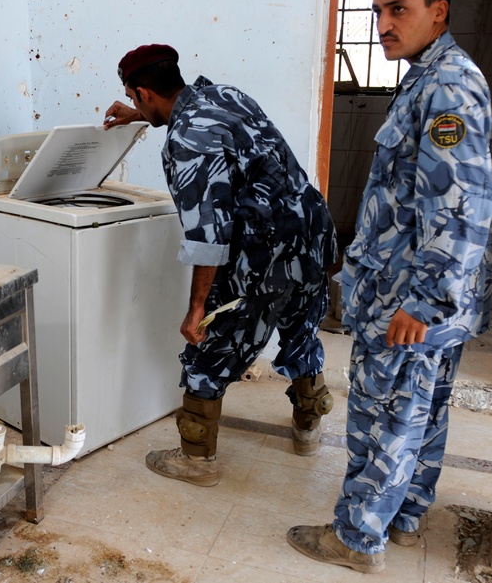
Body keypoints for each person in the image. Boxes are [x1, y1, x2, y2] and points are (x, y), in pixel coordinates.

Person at [287, 0, 492, 574]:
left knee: (385, 418)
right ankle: (404, 518)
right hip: (428, 294)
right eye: (379, 11)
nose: (384, 24)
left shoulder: (447, 87)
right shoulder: (430, 77)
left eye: (399, 9)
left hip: (412, 298)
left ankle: (356, 538)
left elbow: (460, 203)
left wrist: (423, 303)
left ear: (439, 12)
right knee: (422, 410)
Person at [103, 44, 338, 487]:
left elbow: (208, 235)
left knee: (208, 349)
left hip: (264, 258)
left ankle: (196, 460)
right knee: (300, 330)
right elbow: (214, 127)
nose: (135, 105)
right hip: (313, 236)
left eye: (136, 99)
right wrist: (143, 116)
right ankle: (308, 429)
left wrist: (197, 308)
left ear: (143, 92)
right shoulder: (226, 96)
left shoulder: (184, 142)